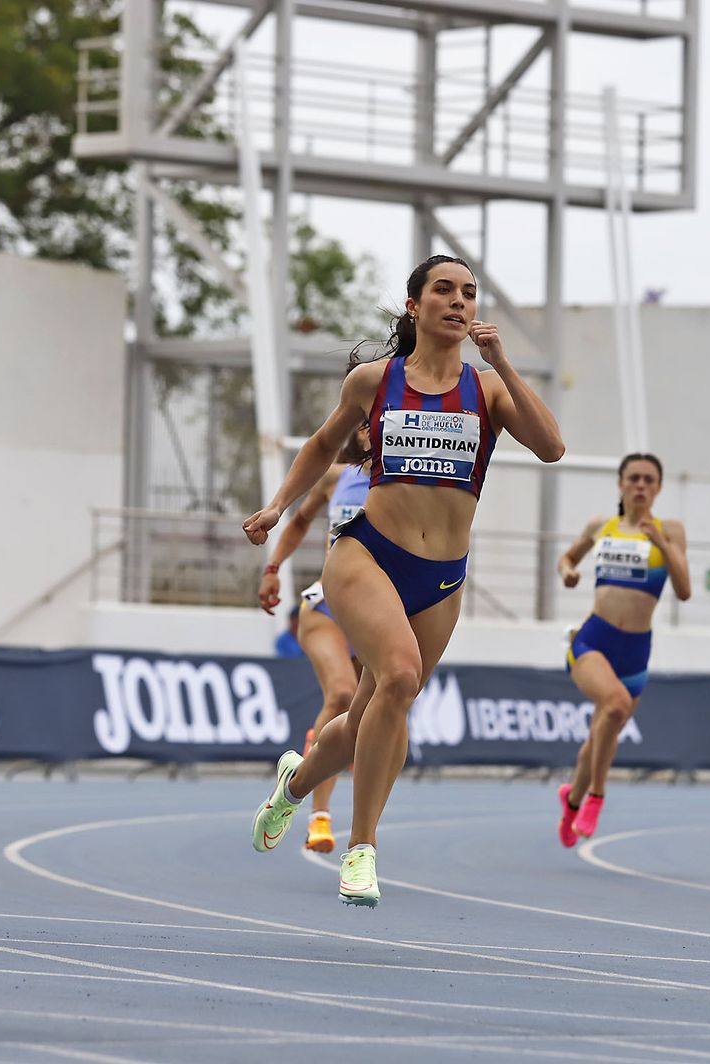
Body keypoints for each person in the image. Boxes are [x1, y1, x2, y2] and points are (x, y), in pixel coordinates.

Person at [243, 254, 565, 906]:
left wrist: (504, 363)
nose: (459, 301)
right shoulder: (376, 380)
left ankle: (294, 786)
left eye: (469, 292)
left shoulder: (487, 390)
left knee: (369, 715)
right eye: (444, 290)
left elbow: (551, 447)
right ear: (415, 306)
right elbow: (323, 444)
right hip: (367, 555)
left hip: (441, 577)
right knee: (399, 676)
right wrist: (278, 507)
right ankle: (361, 849)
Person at [554, 453, 691, 848]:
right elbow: (567, 558)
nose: (641, 486)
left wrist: (661, 544)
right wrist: (568, 572)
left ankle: (572, 801)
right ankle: (596, 796)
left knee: (599, 737)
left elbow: (684, 590)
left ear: (659, 488)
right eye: (634, 478)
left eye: (649, 480)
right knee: (614, 706)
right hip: (593, 640)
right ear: (621, 484)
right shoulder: (602, 525)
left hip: (635, 651)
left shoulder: (670, 530)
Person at [256, 426, 372, 853]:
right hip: (325, 605)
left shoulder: (406, 482)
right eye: (367, 423)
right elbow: (302, 520)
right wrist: (273, 569)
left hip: (374, 613)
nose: (374, 428)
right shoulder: (336, 476)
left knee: (362, 719)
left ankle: (306, 776)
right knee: (341, 694)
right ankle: (318, 817)